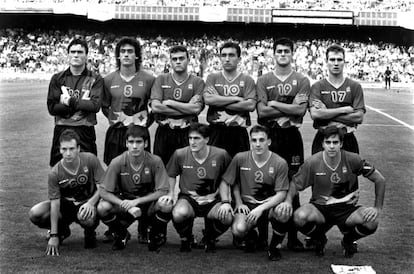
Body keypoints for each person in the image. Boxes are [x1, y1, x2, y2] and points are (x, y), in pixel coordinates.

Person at [276, 126, 385, 258]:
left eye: (335, 143)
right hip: (320, 209)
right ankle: (320, 238)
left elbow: (380, 179)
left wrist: (377, 208)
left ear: (341, 144)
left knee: (372, 221)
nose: (332, 146)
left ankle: (348, 240)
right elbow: (294, 183)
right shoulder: (313, 162)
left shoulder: (353, 159)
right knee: (299, 217)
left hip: (346, 210)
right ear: (322, 144)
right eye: (328, 142)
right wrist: (287, 201)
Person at [256, 37, 310, 251]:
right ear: (274, 54)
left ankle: (292, 238)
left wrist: (275, 103)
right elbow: (261, 112)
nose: (282, 54)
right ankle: (262, 237)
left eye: (286, 51)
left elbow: (300, 111)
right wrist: (289, 106)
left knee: (292, 184)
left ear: (292, 54)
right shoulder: (264, 80)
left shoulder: (302, 80)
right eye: (279, 51)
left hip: (291, 137)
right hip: (270, 136)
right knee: (263, 184)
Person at [101, 37, 156, 243]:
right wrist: (118, 121)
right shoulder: (107, 80)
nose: (126, 54)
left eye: (130, 51)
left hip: (140, 134)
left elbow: (154, 107)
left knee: (144, 178)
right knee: (114, 177)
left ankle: (144, 226)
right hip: (116, 134)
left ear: (137, 55)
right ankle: (115, 225)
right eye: (122, 51)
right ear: (118, 55)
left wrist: (141, 123)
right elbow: (105, 106)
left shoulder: (149, 79)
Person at [219, 125, 290, 261]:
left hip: (269, 205)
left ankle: (274, 247)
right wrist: (233, 202)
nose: (257, 144)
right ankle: (251, 236)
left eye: (261, 140)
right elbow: (226, 182)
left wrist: (261, 208)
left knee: (283, 212)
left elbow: (281, 194)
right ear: (250, 141)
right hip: (247, 205)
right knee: (238, 229)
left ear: (268, 141)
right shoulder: (240, 158)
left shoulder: (280, 162)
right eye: (254, 140)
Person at [29, 129, 105, 256]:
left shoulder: (90, 160)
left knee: (88, 218)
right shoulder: (55, 173)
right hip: (66, 207)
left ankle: (89, 232)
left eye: (72, 148)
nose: (68, 153)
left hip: (86, 205)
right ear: (59, 149)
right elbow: (55, 204)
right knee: (35, 213)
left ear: (79, 148)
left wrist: (91, 203)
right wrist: (54, 235)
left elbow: (104, 186)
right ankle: (62, 231)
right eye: (64, 149)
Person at [97, 125, 170, 252]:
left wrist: (137, 202)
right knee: (102, 207)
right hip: (125, 204)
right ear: (126, 143)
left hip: (148, 205)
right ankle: (121, 233)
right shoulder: (117, 162)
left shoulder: (155, 161)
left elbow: (163, 190)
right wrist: (126, 204)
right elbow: (103, 191)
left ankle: (152, 233)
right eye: (131, 142)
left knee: (166, 204)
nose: (135, 146)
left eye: (139, 142)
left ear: (146, 143)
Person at [161, 123, 232, 252]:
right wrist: (170, 194)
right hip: (188, 199)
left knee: (227, 216)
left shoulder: (221, 155)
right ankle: (186, 238)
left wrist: (226, 201)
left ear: (207, 139)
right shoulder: (180, 154)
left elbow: (227, 178)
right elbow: (171, 175)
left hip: (213, 200)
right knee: (178, 213)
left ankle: (210, 237)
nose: (192, 142)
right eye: (190, 138)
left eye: (197, 138)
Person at [47, 38, 103, 167]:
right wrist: (81, 104)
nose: (76, 55)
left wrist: (68, 101)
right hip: (62, 129)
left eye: (80, 52)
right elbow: (52, 108)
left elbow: (95, 106)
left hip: (85, 131)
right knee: (60, 172)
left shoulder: (95, 79)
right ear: (68, 55)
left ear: (86, 55)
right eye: (73, 52)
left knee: (87, 172)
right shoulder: (57, 78)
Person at [150, 45, 205, 165]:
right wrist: (187, 108)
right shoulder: (161, 79)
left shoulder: (198, 82)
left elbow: (196, 108)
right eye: (174, 59)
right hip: (164, 132)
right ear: (170, 62)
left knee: (188, 172)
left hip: (188, 132)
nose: (178, 61)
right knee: (162, 172)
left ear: (189, 60)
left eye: (181, 58)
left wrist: (170, 103)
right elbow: (155, 107)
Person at [203, 41, 256, 158]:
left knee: (239, 172)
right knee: (214, 171)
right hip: (216, 131)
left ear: (239, 59)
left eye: (231, 55)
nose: (227, 59)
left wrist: (219, 100)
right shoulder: (213, 77)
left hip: (239, 133)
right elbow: (208, 100)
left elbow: (250, 105)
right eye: (224, 55)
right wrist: (237, 99)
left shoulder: (248, 80)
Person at [309, 44, 365, 155]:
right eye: (332, 59)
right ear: (326, 62)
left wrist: (326, 113)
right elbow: (315, 115)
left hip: (347, 138)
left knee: (350, 171)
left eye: (339, 60)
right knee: (320, 171)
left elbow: (359, 117)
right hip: (323, 138)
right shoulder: (317, 86)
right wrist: (344, 110)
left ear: (344, 62)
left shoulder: (355, 86)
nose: (336, 63)